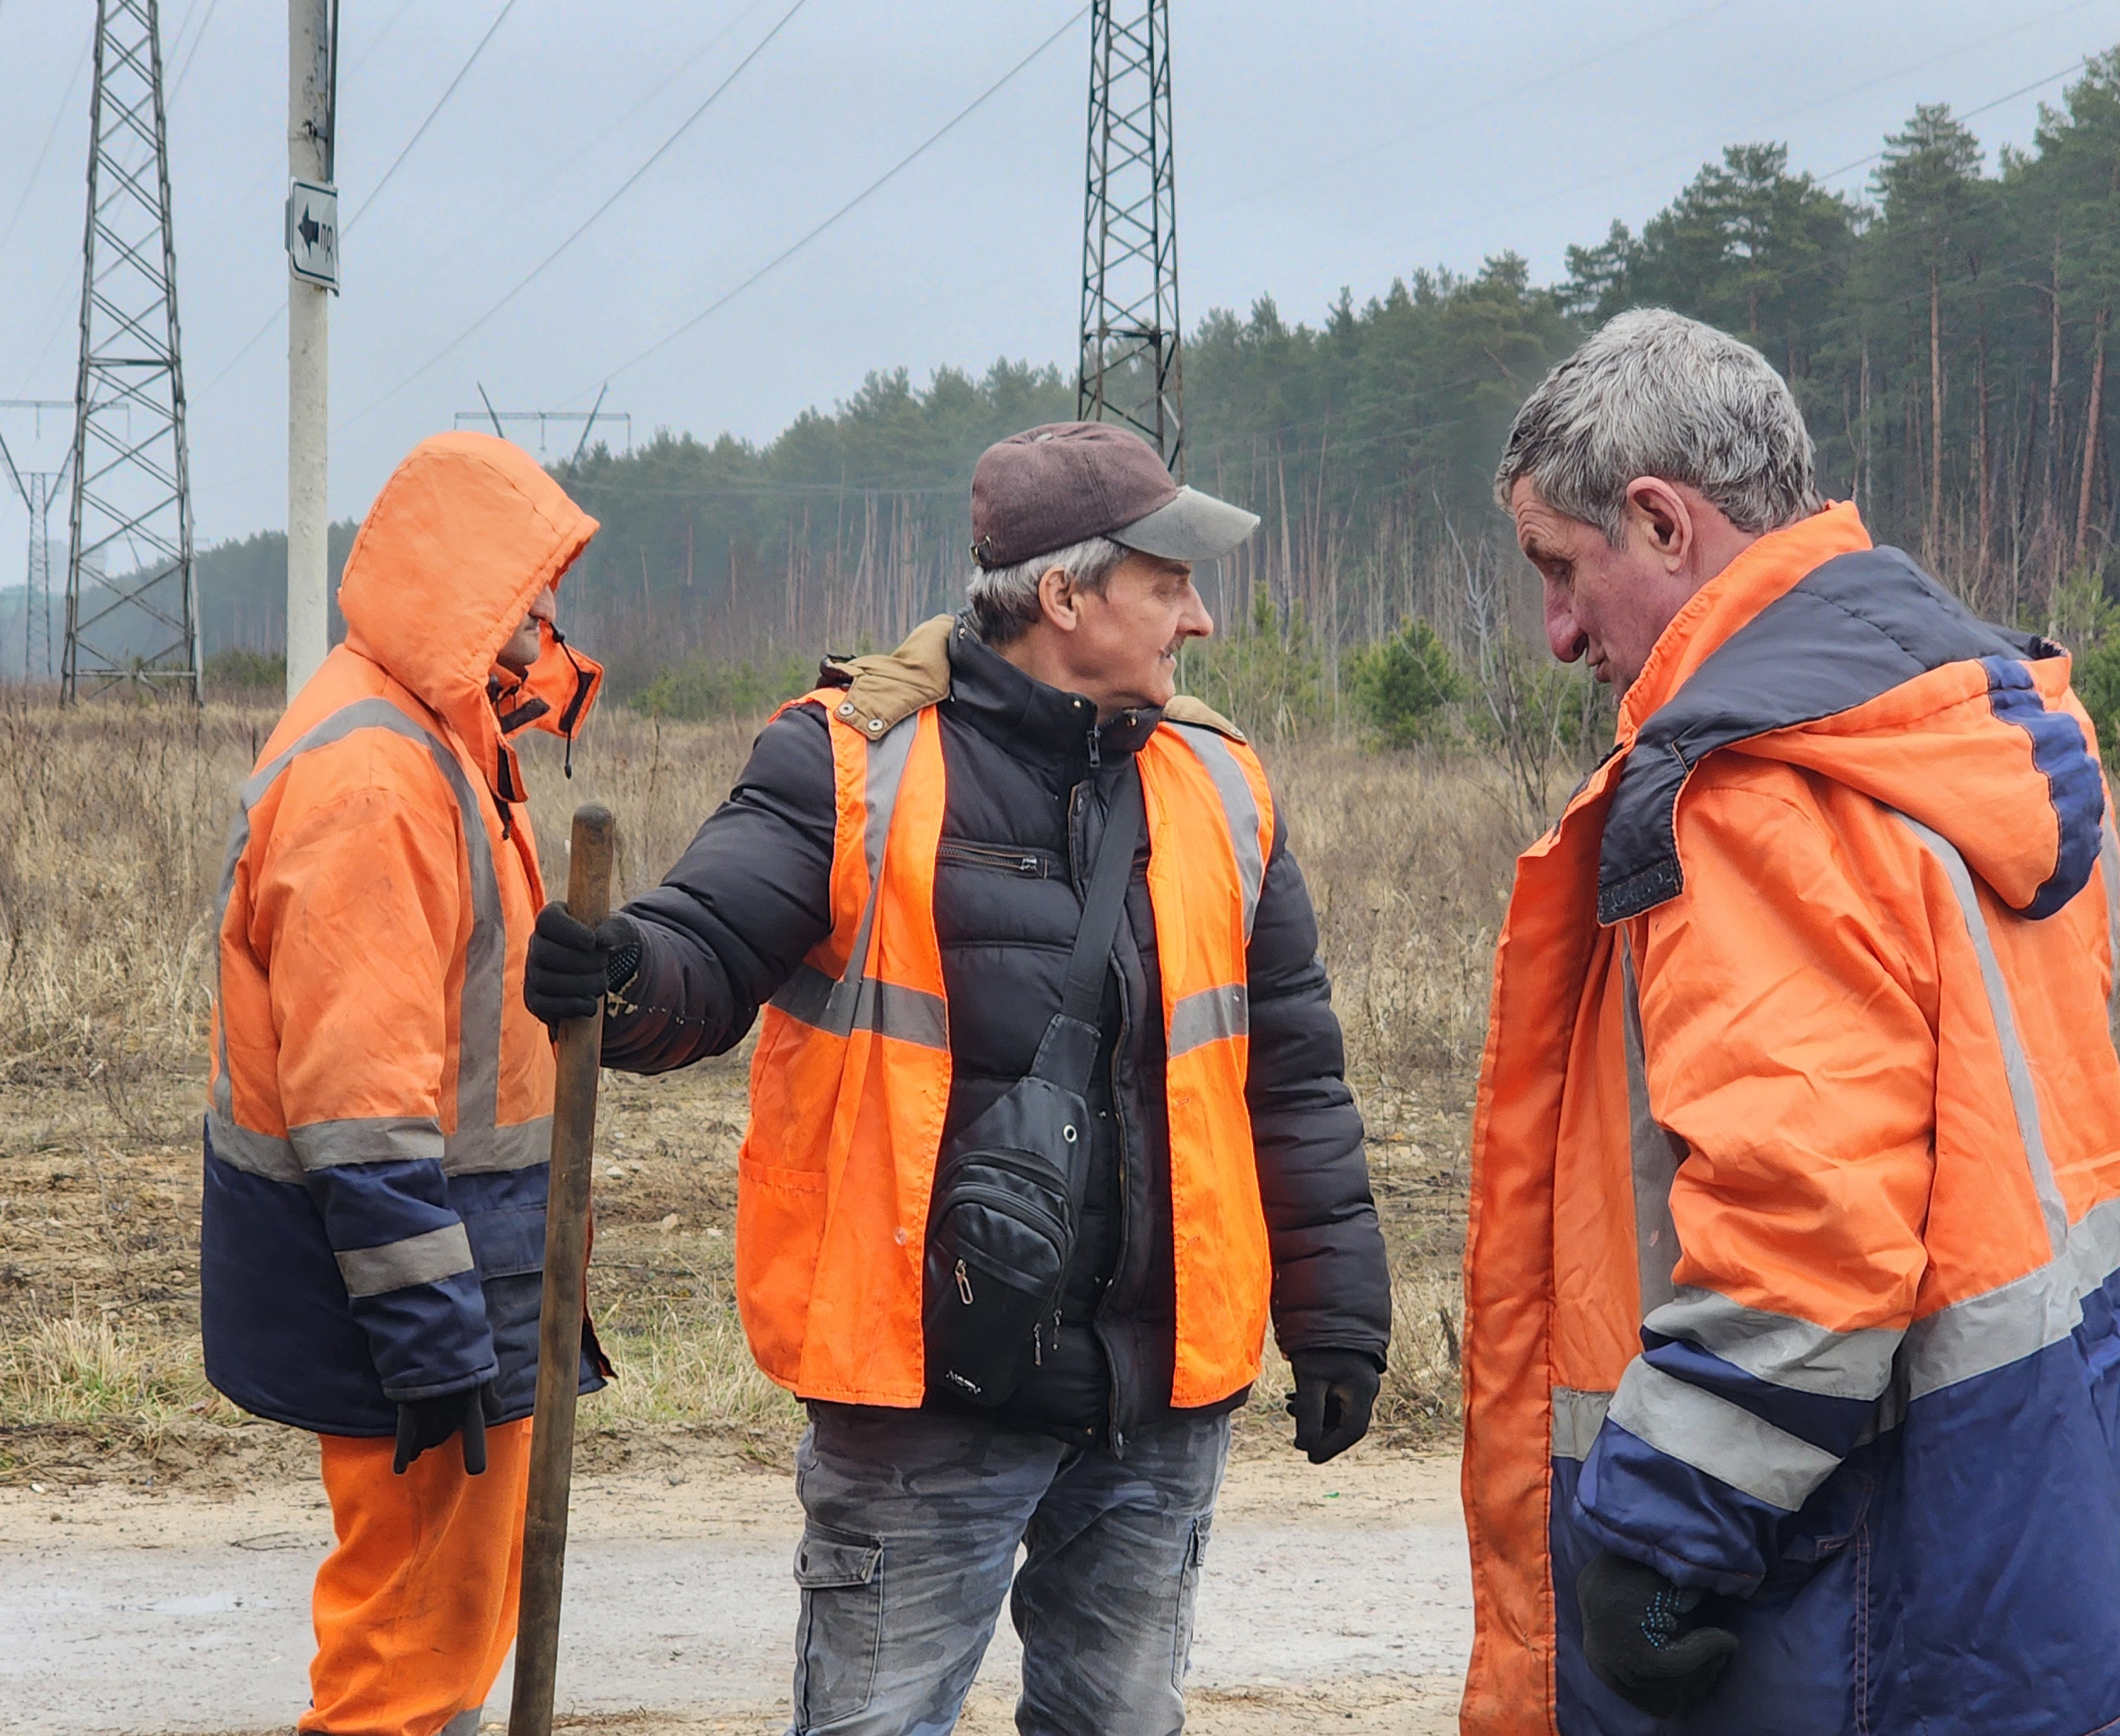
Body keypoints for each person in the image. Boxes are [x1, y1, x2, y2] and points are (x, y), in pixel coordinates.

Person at [523, 420, 1392, 1736]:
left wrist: (1336, 1315)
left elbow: (1291, 1068)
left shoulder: (1221, 782)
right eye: (1169, 584)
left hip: (1155, 1398)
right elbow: (707, 944)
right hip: (923, 1394)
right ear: (1063, 596)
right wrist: (625, 973)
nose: (1199, 619)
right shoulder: (850, 759)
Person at [1460, 310, 2120, 1735]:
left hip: (1833, 1585)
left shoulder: (1754, 791)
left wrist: (1660, 1539)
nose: (1558, 633)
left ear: (1662, 522)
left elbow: (1804, 1232)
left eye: (1561, 569)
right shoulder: (1955, 730)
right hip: (2023, 1511)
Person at [201, 432, 610, 1736]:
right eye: (526, 585)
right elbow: (360, 1108)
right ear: (456, 584)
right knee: (405, 1664)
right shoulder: (377, 774)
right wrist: (434, 1337)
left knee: (436, 1643)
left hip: (456, 1279)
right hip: (419, 1306)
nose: (547, 615)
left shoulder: (440, 730)